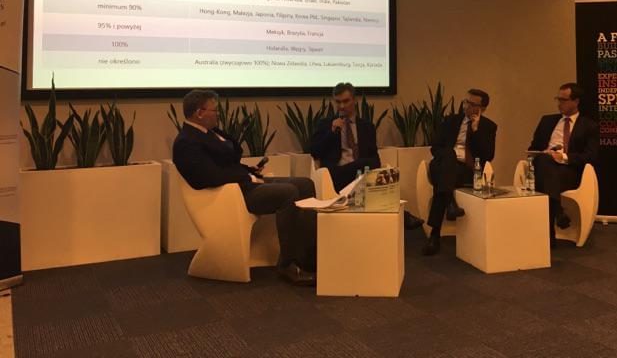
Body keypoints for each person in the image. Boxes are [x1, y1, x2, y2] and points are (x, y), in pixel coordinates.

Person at [173, 89, 317, 286]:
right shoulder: (186, 142)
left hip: (243, 183)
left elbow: (229, 161)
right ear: (199, 113)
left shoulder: (209, 132)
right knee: (288, 193)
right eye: (215, 110)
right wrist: (245, 176)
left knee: (305, 184)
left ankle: (308, 255)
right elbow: (206, 177)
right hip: (233, 195)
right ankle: (288, 263)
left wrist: (249, 170)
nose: (218, 114)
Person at [310, 83, 426, 230]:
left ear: (354, 100)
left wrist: (364, 168)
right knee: (362, 166)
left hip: (362, 176)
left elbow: (375, 159)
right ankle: (405, 216)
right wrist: (332, 132)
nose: (342, 106)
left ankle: (400, 217)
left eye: (346, 101)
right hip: (336, 176)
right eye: (338, 102)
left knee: (372, 171)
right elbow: (314, 151)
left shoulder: (367, 127)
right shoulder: (326, 124)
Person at [422, 88, 497, 256]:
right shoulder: (450, 121)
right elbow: (435, 147)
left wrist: (476, 131)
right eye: (466, 102)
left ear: (482, 108)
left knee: (442, 183)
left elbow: (488, 155)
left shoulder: (488, 127)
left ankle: (435, 235)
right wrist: (448, 155)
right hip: (443, 163)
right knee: (449, 156)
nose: (467, 106)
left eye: (472, 104)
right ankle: (450, 203)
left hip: (467, 170)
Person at [528, 83, 598, 244]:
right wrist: (545, 153)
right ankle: (558, 212)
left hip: (569, 172)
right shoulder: (547, 121)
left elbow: (591, 156)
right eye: (557, 99)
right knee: (544, 161)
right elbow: (533, 148)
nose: (559, 103)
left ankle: (549, 233)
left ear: (576, 101)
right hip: (543, 167)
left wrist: (564, 157)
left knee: (544, 178)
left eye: (563, 100)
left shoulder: (589, 126)